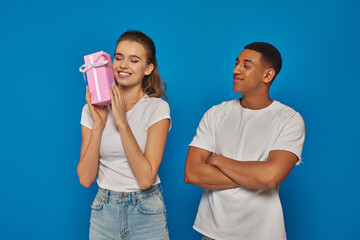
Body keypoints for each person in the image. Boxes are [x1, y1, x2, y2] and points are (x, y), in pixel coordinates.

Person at [184, 42, 305, 240]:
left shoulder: (289, 119)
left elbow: (270, 178)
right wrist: (253, 176)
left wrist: (218, 160)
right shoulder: (216, 113)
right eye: (237, 63)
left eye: (246, 66)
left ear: (268, 75)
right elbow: (191, 173)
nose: (236, 70)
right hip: (212, 234)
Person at [78, 30, 171, 240]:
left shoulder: (157, 108)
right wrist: (99, 125)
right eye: (118, 58)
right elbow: (85, 178)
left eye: (134, 60)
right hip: (104, 210)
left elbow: (146, 178)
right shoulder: (91, 110)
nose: (123, 65)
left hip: (146, 210)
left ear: (148, 68)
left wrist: (122, 122)